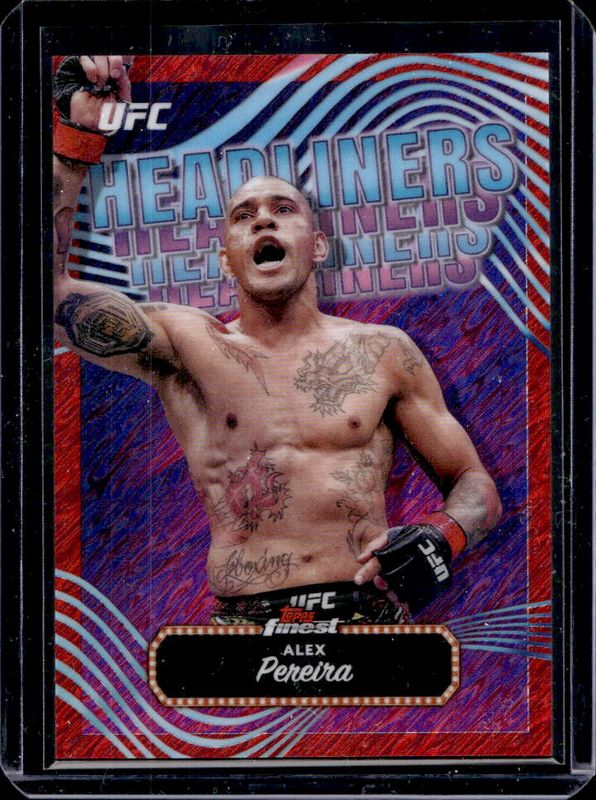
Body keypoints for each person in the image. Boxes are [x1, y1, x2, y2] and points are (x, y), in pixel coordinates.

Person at [53, 55, 502, 627]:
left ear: (317, 245)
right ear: (227, 259)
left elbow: (475, 485)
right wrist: (75, 140)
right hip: (241, 631)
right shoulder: (186, 345)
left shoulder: (385, 352)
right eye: (244, 216)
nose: (263, 221)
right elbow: (44, 296)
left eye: (283, 210)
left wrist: (445, 534)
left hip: (367, 620)